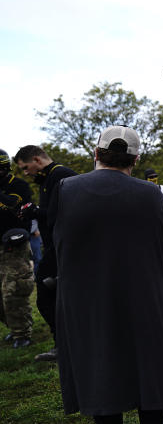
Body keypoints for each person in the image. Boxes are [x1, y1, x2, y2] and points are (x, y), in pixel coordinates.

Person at [49, 126, 163, 424]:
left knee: (97, 364)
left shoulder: (65, 189)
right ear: (136, 159)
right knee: (148, 366)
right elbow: (162, 246)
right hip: (144, 292)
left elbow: (57, 241)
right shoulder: (152, 194)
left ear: (96, 151)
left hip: (84, 297)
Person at [13, 145, 78, 361]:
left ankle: (67, 345)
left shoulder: (61, 175)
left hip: (65, 248)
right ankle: (64, 344)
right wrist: (31, 213)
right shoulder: (47, 180)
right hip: (54, 247)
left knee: (46, 297)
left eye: (25, 167)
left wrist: (35, 211)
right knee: (54, 297)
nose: (25, 173)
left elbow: (66, 213)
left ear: (36, 160)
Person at [0, 149, 34, 349]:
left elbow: (17, 205)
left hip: (15, 247)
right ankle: (13, 328)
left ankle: (22, 333)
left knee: (13, 292)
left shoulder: (18, 186)